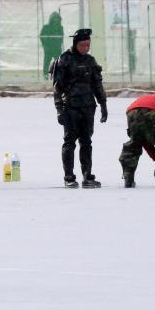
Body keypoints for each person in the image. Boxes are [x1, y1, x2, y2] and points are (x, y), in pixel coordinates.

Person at [51, 28, 107, 189]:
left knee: (87, 142)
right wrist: (59, 109)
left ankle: (87, 176)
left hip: (88, 107)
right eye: (83, 45)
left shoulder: (90, 61)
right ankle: (69, 177)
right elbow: (57, 87)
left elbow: (97, 85)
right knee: (69, 142)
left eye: (88, 45)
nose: (86, 48)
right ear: (76, 44)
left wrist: (103, 105)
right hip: (71, 107)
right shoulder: (65, 59)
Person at [39, 11, 64, 79]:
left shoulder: (60, 27)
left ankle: (58, 74)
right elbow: (42, 36)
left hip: (57, 48)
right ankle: (45, 74)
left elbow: (61, 37)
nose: (56, 20)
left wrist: (59, 43)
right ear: (51, 19)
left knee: (58, 62)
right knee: (47, 61)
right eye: (54, 18)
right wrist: (45, 45)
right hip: (48, 48)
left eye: (57, 18)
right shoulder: (46, 27)